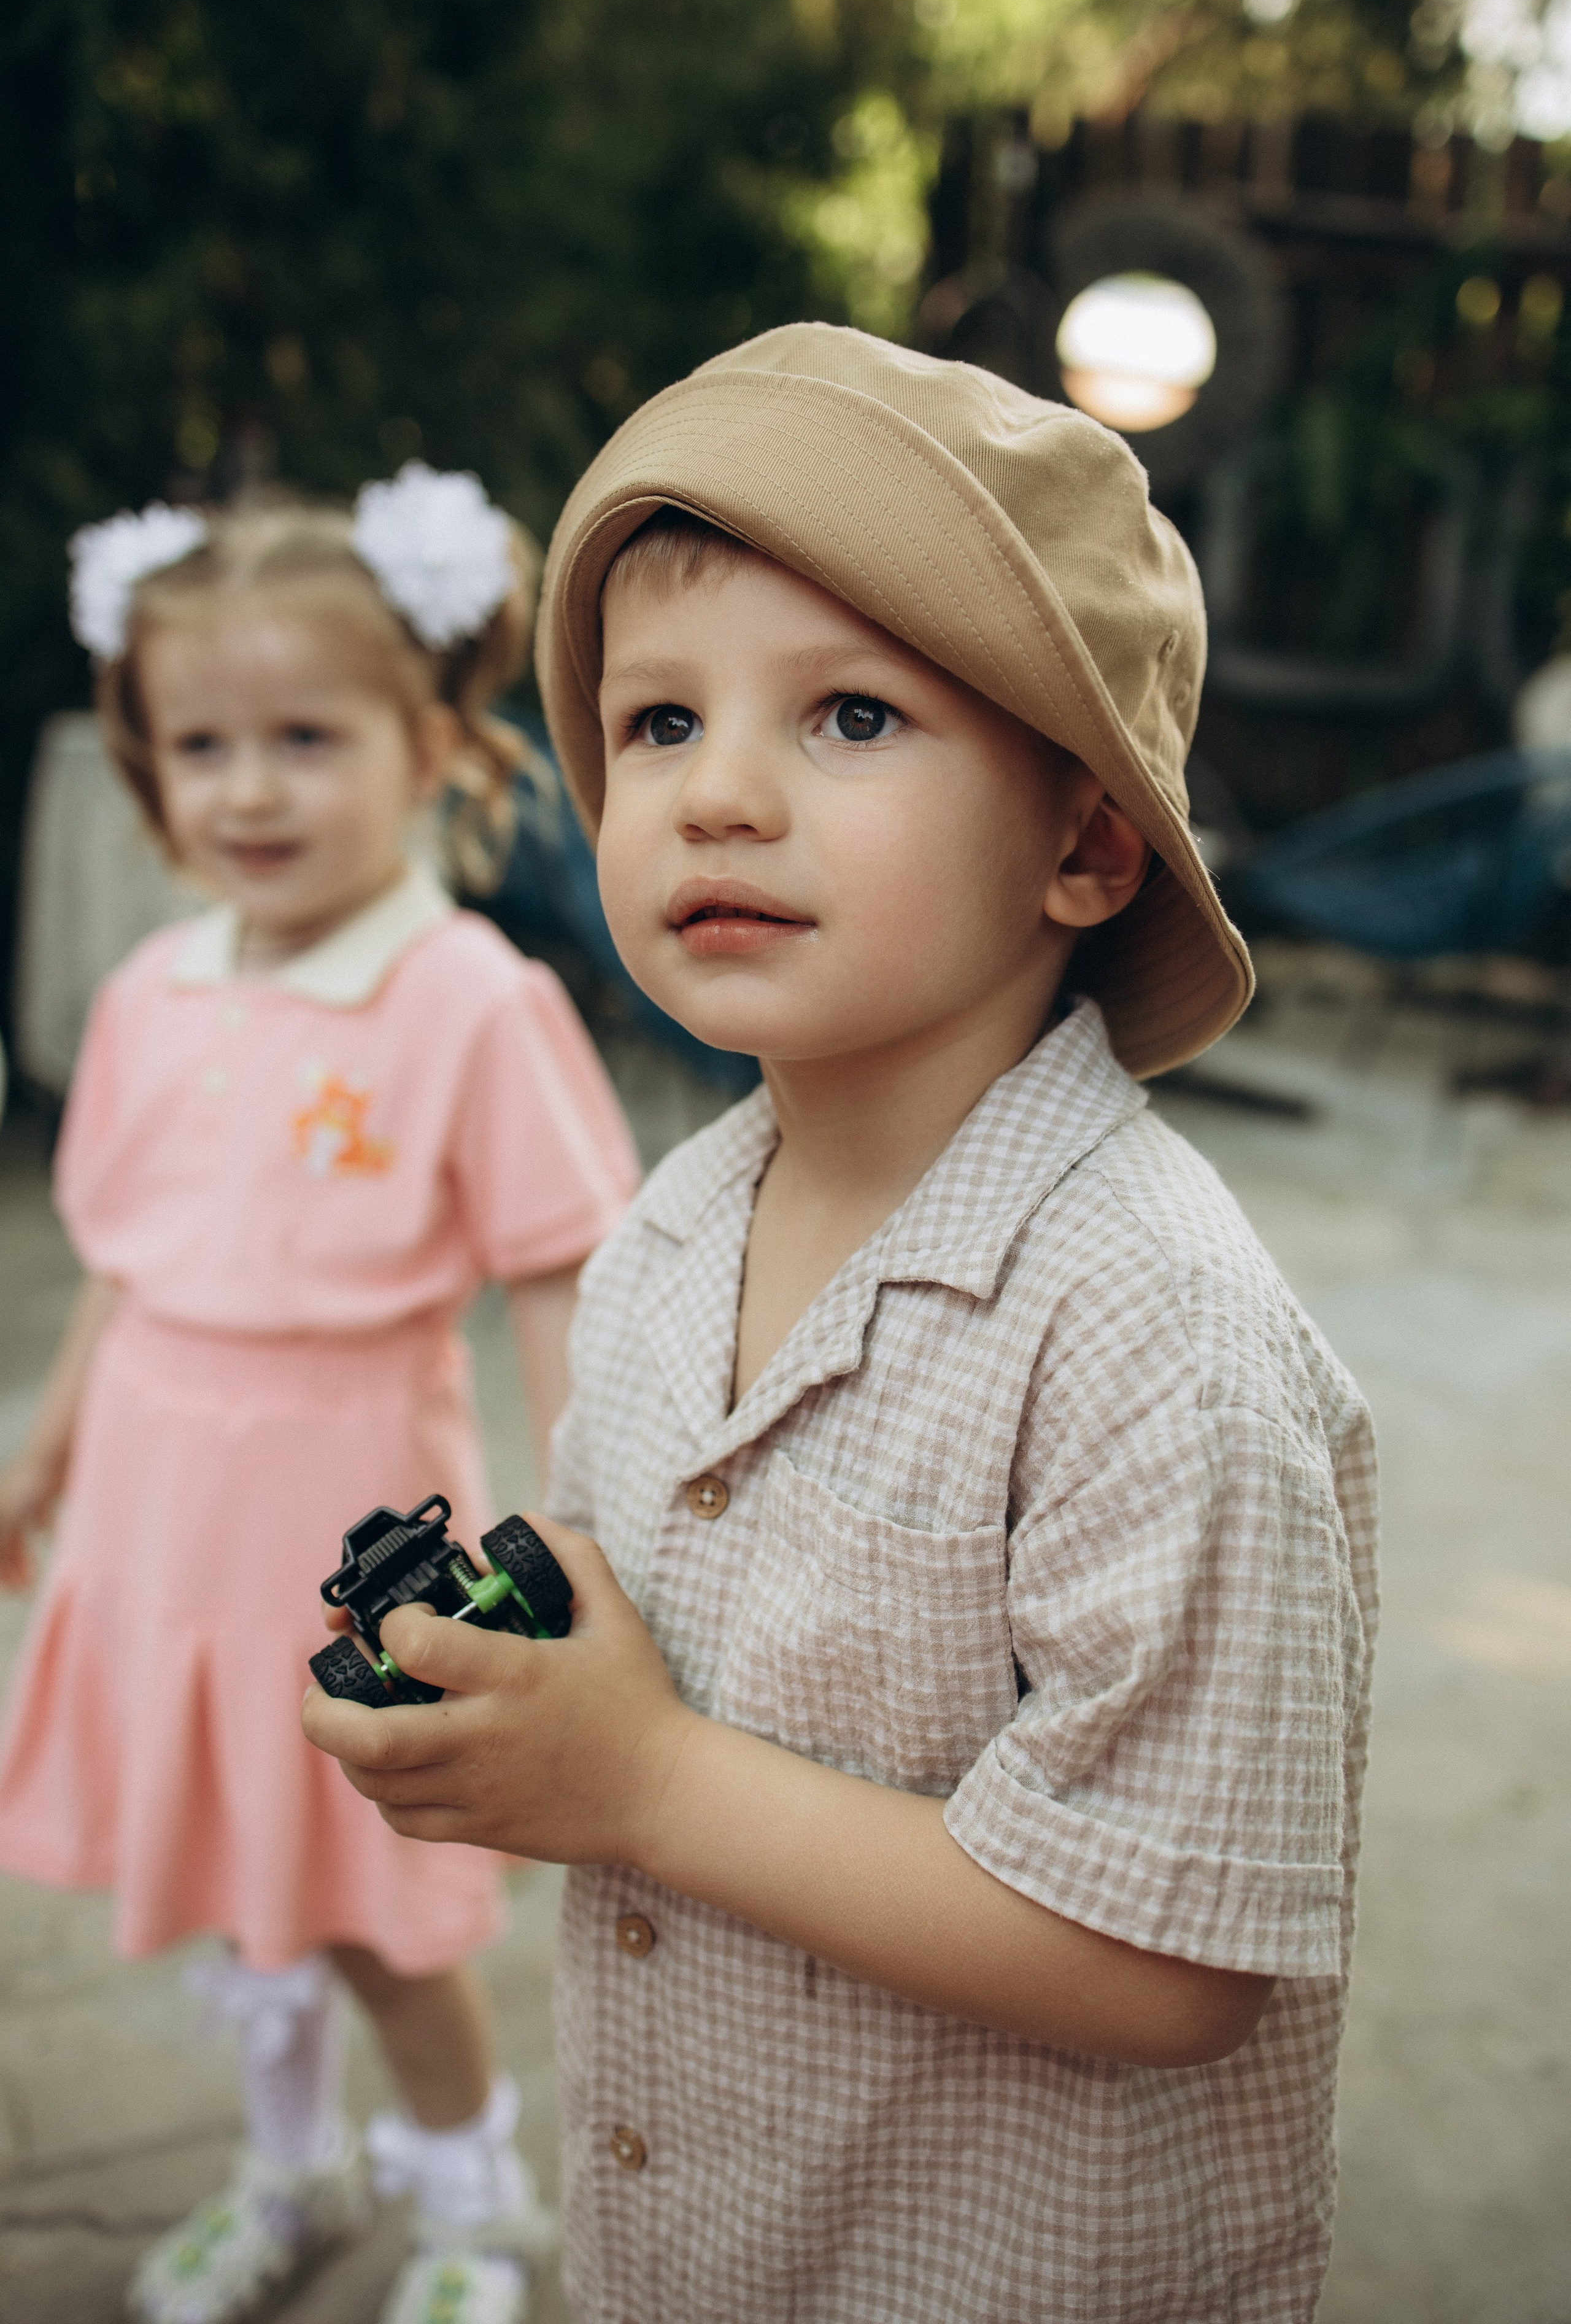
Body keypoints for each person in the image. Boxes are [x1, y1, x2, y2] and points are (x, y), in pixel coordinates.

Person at [304, 328, 1380, 2324]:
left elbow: (1177, 1963)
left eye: (853, 718)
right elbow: (654, 1632)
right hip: (697, 2242)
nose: (718, 794)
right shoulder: (668, 1230)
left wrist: (640, 1787)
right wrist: (495, 1701)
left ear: (1084, 843)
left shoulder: (1150, 1322)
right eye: (654, 725)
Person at [0, 466, 641, 2324]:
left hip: (351, 1524)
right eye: (204, 744)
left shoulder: (469, 998)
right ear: (149, 769)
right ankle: (287, 2167)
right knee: (228, 1881)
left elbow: (556, 1268)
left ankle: (474, 2204)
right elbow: (131, 1265)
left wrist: (582, 1529)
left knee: (366, 1908)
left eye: (306, 734)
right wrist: (40, 1457)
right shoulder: (151, 992)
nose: (252, 786)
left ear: (433, 740)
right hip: (151, 1525)